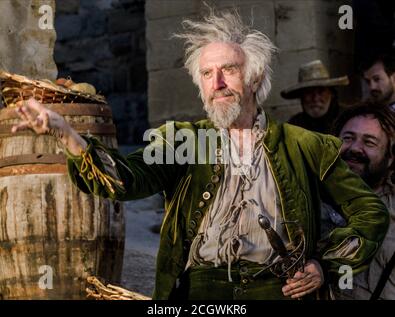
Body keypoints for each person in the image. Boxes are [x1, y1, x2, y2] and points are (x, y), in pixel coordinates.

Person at [11, 10, 388, 300]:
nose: (217, 83)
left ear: (255, 78)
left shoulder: (304, 144)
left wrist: (325, 265)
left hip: (274, 291)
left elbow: (369, 212)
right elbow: (124, 179)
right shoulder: (181, 141)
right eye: (207, 74)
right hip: (198, 292)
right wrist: (66, 133)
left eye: (228, 70)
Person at [331, 103, 395, 299]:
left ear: (390, 157)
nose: (355, 149)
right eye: (348, 138)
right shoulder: (306, 199)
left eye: (369, 142)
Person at [281, 60, 349, 134]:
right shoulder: (293, 126)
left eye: (321, 91)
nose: (315, 98)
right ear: (301, 97)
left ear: (331, 94)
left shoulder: (348, 119)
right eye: (309, 92)